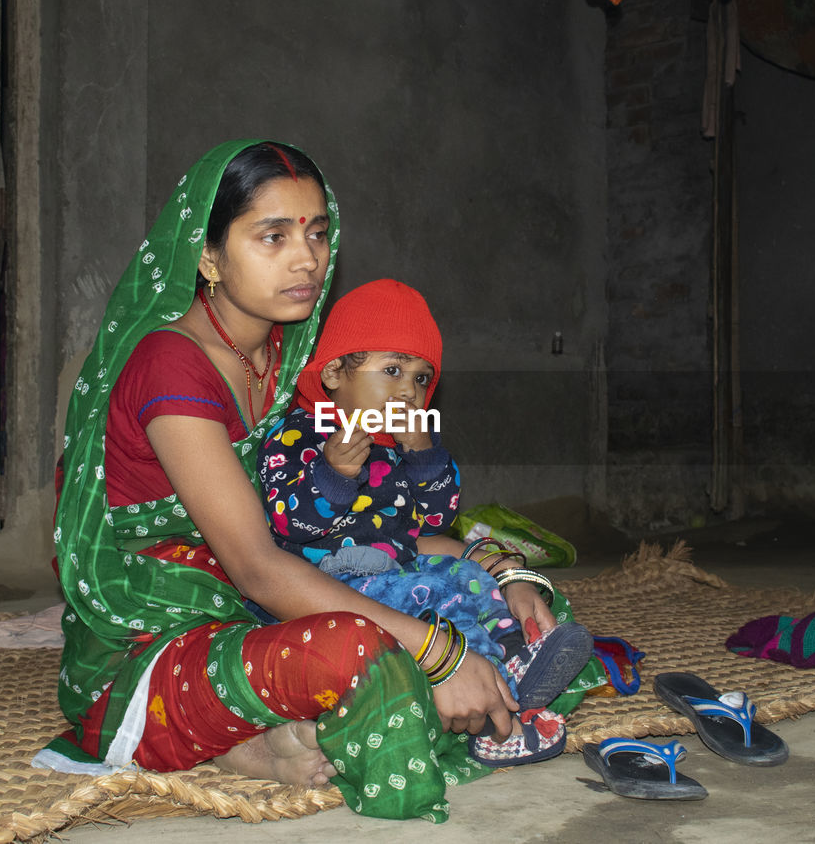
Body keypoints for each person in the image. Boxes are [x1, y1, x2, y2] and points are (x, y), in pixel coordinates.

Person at [37, 140, 578, 822]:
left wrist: (499, 571)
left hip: (282, 592)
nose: (308, 259)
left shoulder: (295, 354)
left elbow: (379, 523)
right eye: (273, 235)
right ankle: (235, 738)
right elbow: (260, 566)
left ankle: (286, 728)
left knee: (519, 620)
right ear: (207, 255)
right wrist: (438, 650)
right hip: (163, 626)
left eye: (318, 233)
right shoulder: (171, 364)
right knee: (358, 646)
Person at [258, 279, 594, 766]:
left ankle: (514, 652)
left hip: (402, 572)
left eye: (421, 379)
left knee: (471, 580)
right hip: (334, 587)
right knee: (444, 606)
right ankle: (499, 713)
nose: (408, 391)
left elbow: (438, 520)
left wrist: (422, 453)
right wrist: (332, 474)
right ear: (333, 372)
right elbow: (291, 527)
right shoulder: (296, 434)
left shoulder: (401, 445)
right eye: (392, 370)